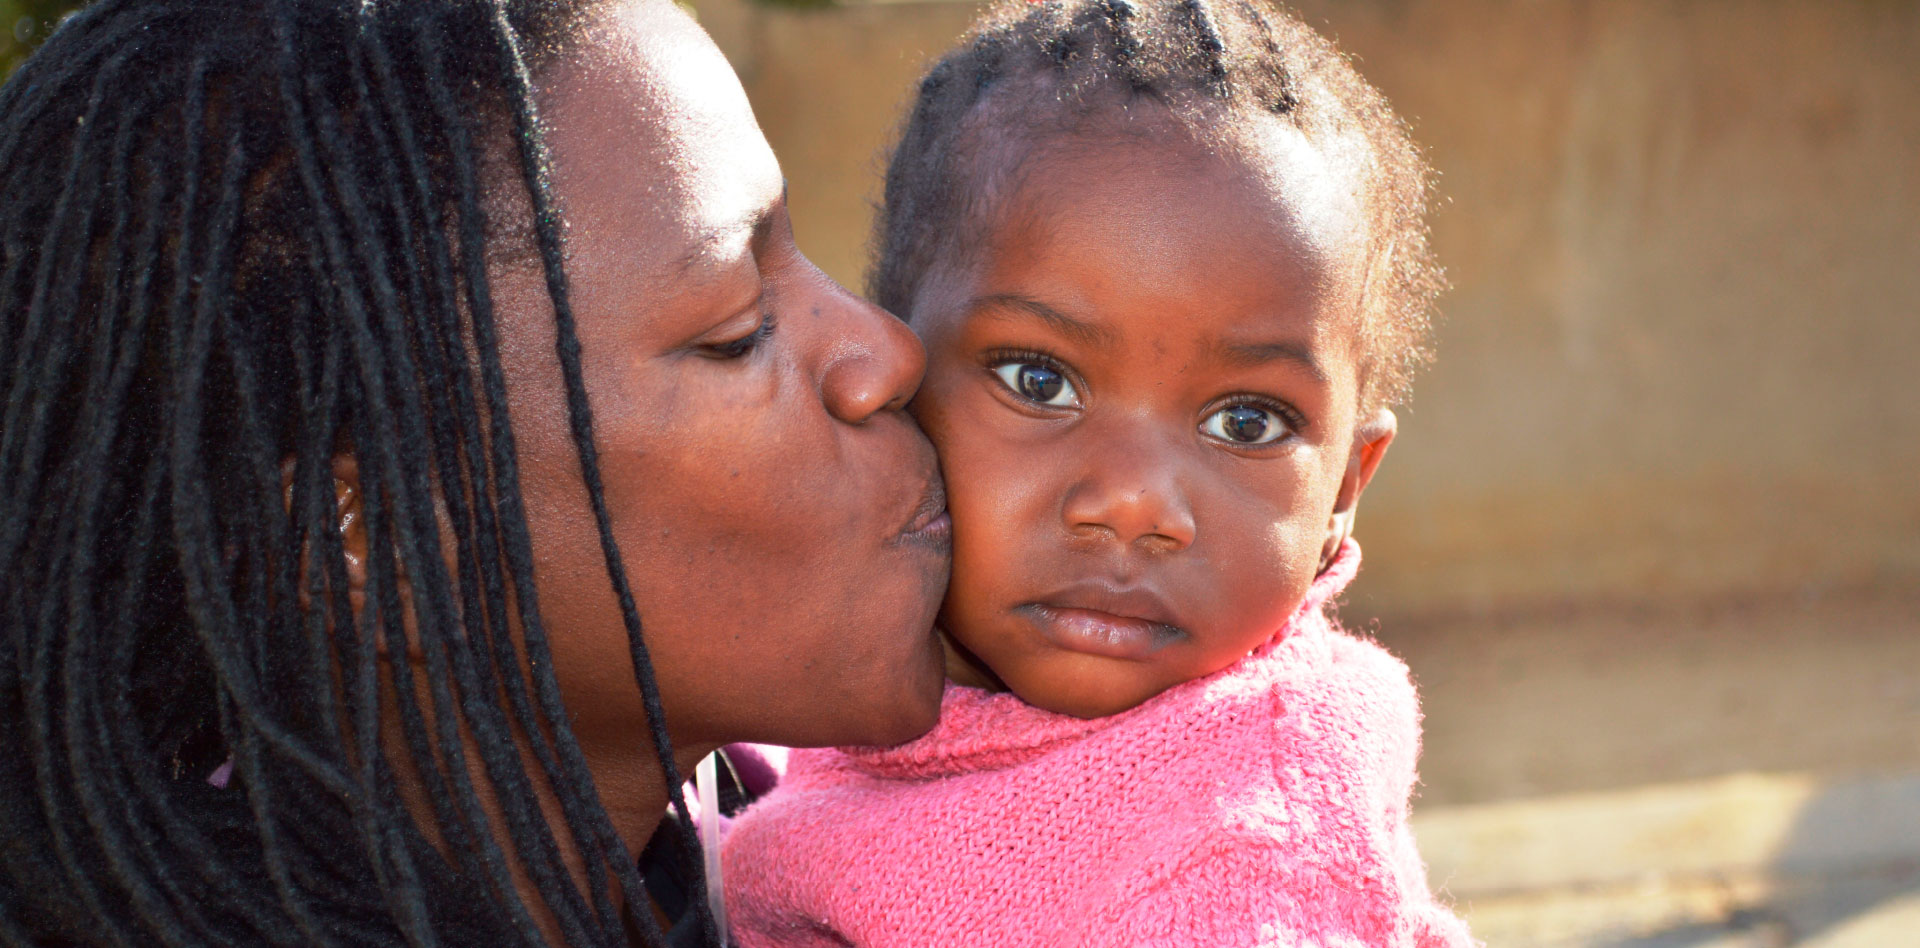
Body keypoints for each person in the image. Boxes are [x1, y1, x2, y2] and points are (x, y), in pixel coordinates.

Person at [0, 1, 948, 946]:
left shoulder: (796, 857)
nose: (889, 354)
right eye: (737, 337)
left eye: (795, 253)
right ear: (372, 547)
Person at [722, 0, 1473, 944]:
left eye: (1247, 421)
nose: (1135, 502)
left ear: (1346, 489)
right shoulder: (847, 692)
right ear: (896, 378)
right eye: (1040, 382)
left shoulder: (1242, 855)